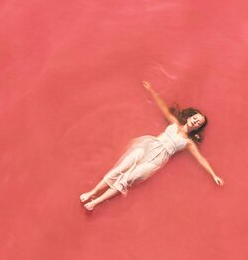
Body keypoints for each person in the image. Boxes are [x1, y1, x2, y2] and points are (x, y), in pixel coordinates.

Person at [80, 81, 224, 211]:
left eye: (198, 123)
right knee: (120, 168)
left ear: (198, 128)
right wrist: (152, 90)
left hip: (156, 161)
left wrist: (214, 175)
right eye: (195, 118)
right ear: (190, 116)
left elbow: (200, 159)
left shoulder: (188, 142)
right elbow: (163, 108)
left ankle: (96, 202)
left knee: (126, 180)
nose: (195, 121)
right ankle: (92, 192)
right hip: (148, 146)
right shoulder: (174, 123)